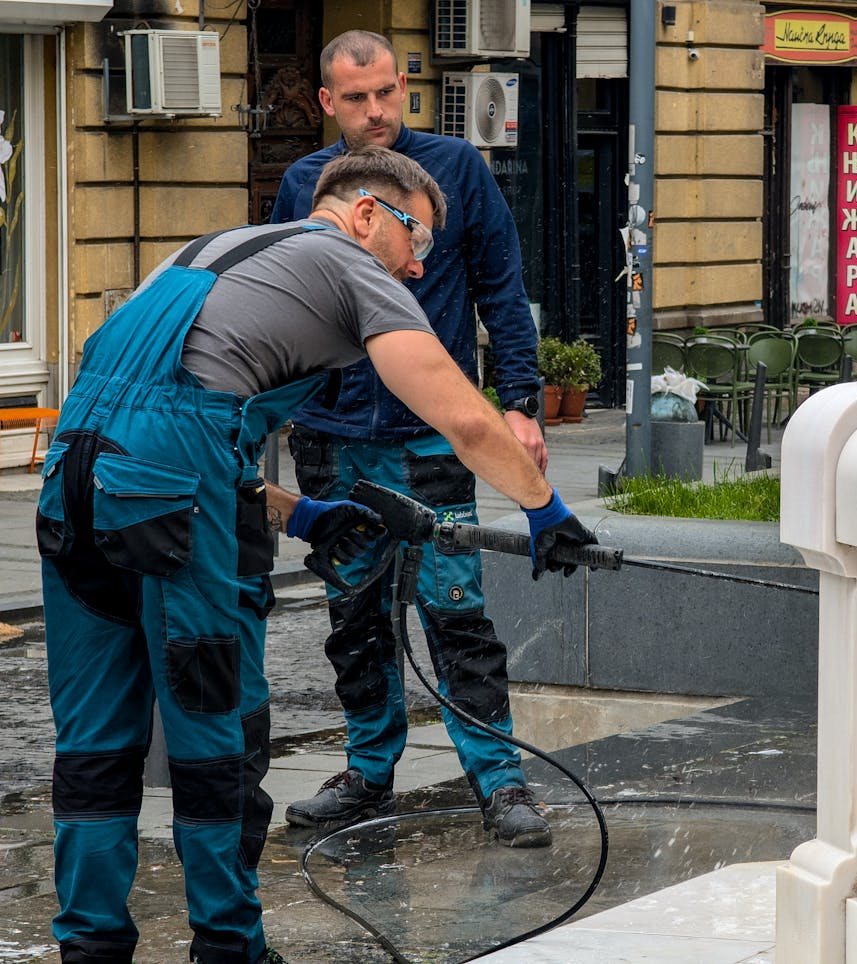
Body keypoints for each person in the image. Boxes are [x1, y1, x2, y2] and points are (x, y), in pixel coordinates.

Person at [37, 146, 595, 964]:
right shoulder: (346, 263)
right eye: (420, 243)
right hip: (170, 500)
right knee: (216, 736)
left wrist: (298, 514)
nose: (417, 267)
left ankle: (89, 950)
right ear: (368, 213)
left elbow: (141, 426)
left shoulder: (201, 257)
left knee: (94, 742)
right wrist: (548, 511)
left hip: (72, 484)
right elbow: (467, 422)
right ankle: (230, 948)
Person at [270, 30, 553, 847]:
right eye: (355, 99)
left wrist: (522, 403)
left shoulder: (456, 172)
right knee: (353, 618)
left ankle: (500, 784)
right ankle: (367, 771)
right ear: (328, 103)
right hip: (330, 438)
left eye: (387, 92)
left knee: (456, 612)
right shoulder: (303, 184)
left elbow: (502, 285)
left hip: (431, 437)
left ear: (406, 87)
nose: (375, 111)